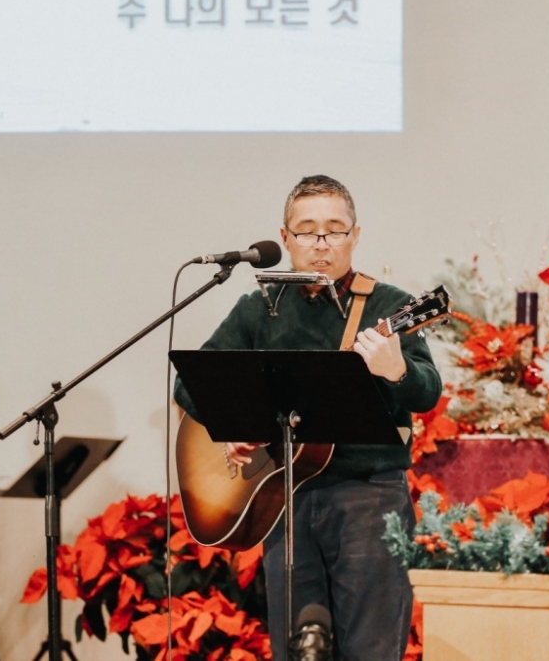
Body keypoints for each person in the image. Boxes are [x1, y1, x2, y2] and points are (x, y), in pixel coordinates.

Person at [173, 175, 442, 660]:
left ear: (355, 236)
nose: (321, 243)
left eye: (335, 230)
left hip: (369, 499)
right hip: (285, 498)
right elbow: (193, 383)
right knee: (294, 649)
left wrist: (397, 369)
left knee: (371, 648)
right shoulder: (260, 308)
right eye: (307, 231)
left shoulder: (390, 305)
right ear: (285, 238)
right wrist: (234, 424)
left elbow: (428, 392)